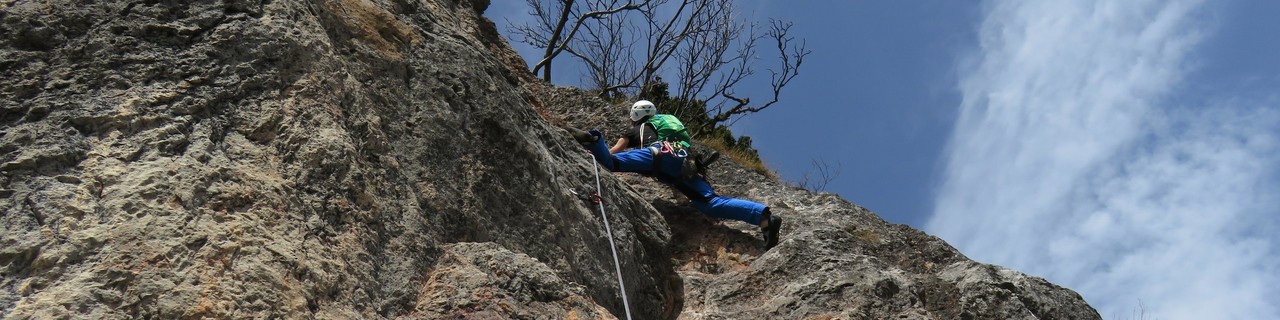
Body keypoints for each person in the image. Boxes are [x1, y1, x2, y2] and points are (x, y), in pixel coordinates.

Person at [571, 100, 783, 250]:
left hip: (657, 155)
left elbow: (615, 151)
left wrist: (600, 150)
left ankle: (592, 138)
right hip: (683, 161)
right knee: (710, 203)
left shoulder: (641, 127)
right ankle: (764, 218)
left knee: (610, 163)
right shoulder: (670, 121)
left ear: (636, 116)